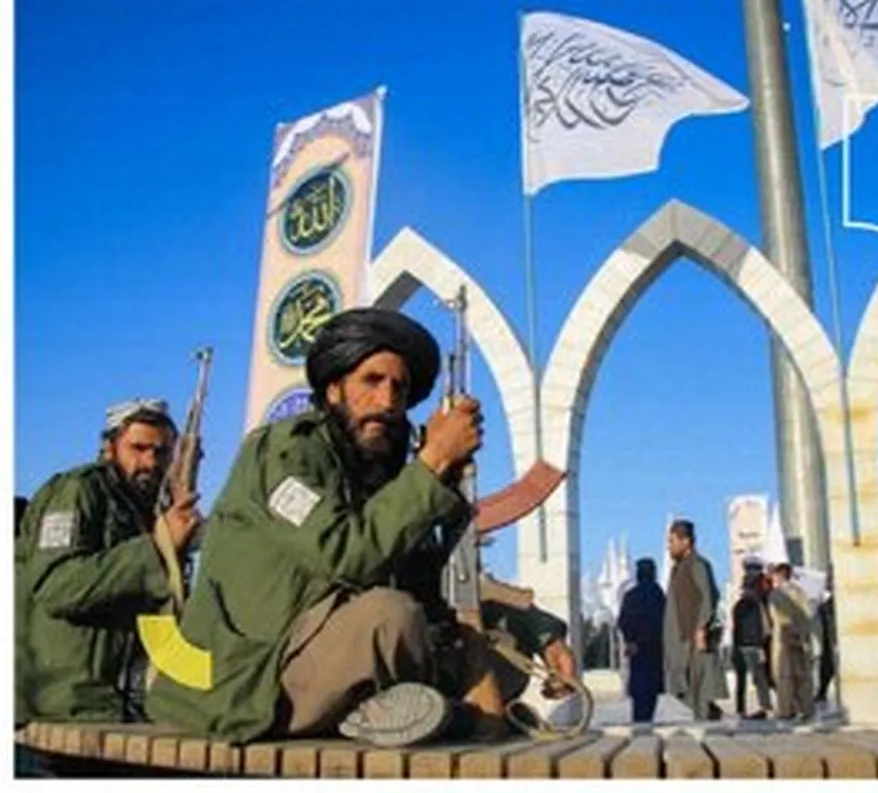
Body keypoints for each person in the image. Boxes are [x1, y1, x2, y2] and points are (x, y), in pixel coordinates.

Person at [147, 307, 577, 747]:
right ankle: (412, 712)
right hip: (253, 671)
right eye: (371, 381)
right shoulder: (284, 453)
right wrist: (432, 463)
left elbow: (443, 580)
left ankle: (401, 709)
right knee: (391, 618)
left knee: (505, 648)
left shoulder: (380, 475)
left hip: (330, 654)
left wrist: (539, 629)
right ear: (333, 390)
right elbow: (347, 554)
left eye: (399, 388)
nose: (387, 401)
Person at [16, 399, 202, 724]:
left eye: (161, 452)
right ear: (109, 447)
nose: (150, 462)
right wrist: (157, 548)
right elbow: (57, 586)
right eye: (138, 448)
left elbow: (156, 615)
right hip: (60, 708)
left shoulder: (149, 510)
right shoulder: (77, 490)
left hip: (121, 705)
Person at [662, 519, 726, 721]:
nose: (669, 546)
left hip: (694, 639)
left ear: (686, 541)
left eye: (672, 541)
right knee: (679, 686)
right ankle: (710, 713)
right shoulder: (678, 568)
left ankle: (706, 719)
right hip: (679, 639)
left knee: (699, 687)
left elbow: (708, 597)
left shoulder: (698, 565)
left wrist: (701, 628)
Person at [617, 558, 666, 723]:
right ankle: (646, 719)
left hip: (637, 647)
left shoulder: (631, 595)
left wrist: (630, 639)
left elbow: (623, 621)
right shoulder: (658, 594)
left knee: (639, 688)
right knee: (651, 688)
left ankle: (640, 720)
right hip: (655, 646)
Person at [766, 563, 816, 722]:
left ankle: (786, 709)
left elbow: (774, 617)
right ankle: (807, 708)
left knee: (783, 675)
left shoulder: (776, 594)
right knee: (802, 675)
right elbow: (808, 614)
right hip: (801, 637)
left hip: (782, 637)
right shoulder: (800, 592)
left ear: (779, 576)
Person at [730, 566, 772, 719]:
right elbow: (764, 627)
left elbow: (736, 629)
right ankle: (765, 706)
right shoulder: (758, 604)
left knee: (742, 680)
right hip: (754, 646)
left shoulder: (740, 605)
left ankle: (741, 709)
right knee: (760, 678)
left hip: (742, 645)